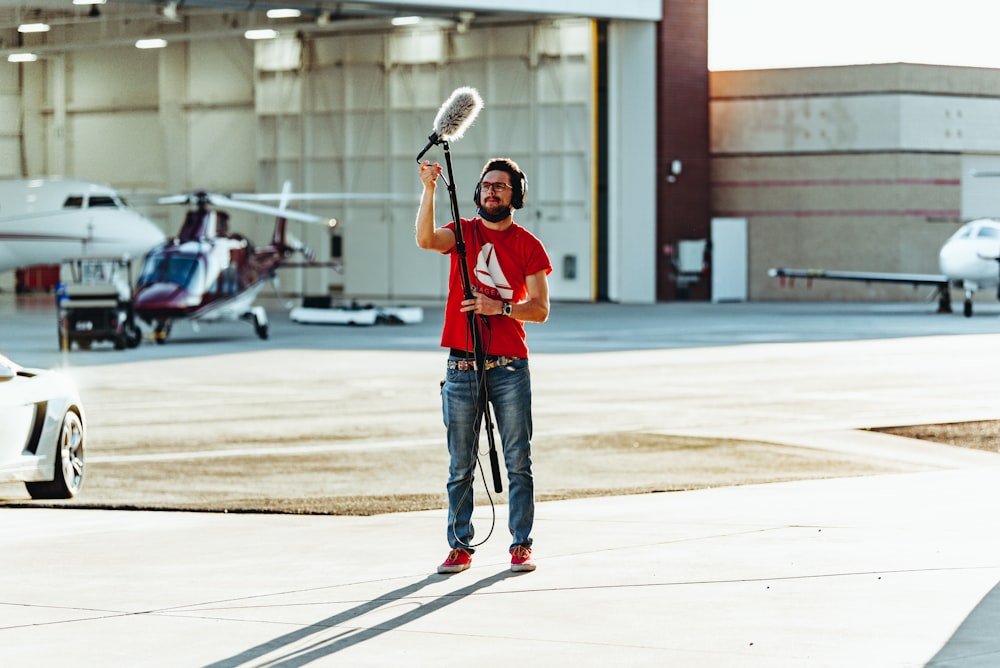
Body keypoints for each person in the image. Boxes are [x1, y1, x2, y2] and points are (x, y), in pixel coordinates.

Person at [416, 157, 551, 574]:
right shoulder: (463, 234)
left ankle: (521, 544)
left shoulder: (528, 244)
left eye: (501, 186)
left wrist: (501, 306)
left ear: (516, 195)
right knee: (460, 463)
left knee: (518, 460)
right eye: (487, 185)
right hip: (461, 366)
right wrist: (429, 189)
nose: (492, 191)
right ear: (477, 192)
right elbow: (424, 240)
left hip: (510, 367)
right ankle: (459, 545)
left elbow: (541, 309)